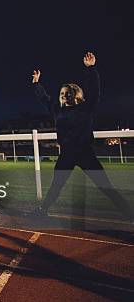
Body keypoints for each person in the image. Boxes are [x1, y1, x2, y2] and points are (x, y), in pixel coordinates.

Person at [30, 52, 134, 221]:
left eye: (67, 93)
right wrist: (36, 84)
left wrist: (91, 68)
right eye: (62, 93)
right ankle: (42, 210)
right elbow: (44, 98)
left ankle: (130, 216)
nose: (63, 95)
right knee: (56, 186)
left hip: (86, 153)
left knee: (105, 187)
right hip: (66, 155)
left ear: (76, 94)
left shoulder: (86, 108)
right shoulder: (57, 110)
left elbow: (95, 90)